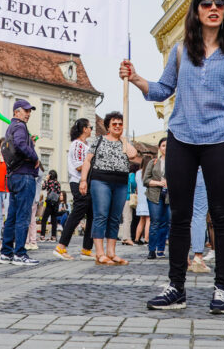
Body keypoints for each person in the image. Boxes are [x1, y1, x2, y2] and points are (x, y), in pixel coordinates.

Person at [121, 0, 224, 315]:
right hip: (182, 138)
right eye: (205, 4)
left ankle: (221, 289)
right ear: (196, 11)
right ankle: (176, 288)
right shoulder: (181, 51)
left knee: (222, 215)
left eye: (218, 4)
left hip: (221, 140)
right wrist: (137, 78)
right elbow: (163, 89)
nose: (212, 8)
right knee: (180, 216)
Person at [80, 111, 139, 266]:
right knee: (101, 216)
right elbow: (87, 161)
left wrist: (124, 139)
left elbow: (133, 155)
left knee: (114, 218)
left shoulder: (124, 143)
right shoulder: (99, 140)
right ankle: (99, 253)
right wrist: (83, 180)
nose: (117, 126)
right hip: (101, 181)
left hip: (120, 182)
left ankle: (111, 252)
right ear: (108, 126)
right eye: (114, 123)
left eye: (120, 124)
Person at [0, 99, 41, 266]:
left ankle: (6, 253)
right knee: (23, 216)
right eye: (26, 111)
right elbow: (21, 144)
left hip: (13, 176)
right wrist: (35, 157)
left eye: (30, 111)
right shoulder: (20, 126)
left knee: (12, 217)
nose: (28, 114)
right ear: (17, 112)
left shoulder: (10, 127)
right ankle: (20, 254)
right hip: (24, 175)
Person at [54, 119, 94, 260]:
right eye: (90, 127)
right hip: (78, 182)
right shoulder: (77, 144)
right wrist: (94, 166)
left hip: (88, 183)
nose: (91, 129)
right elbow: (79, 165)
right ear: (84, 129)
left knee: (92, 214)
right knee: (77, 213)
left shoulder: (87, 145)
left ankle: (87, 249)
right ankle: (61, 247)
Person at [142, 138, 170, 259]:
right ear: (159, 148)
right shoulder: (153, 162)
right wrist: (159, 183)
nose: (166, 148)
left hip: (169, 196)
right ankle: (152, 250)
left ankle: (161, 249)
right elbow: (145, 180)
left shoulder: (176, 162)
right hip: (154, 195)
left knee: (167, 223)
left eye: (168, 145)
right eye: (163, 145)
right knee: (155, 222)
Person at [41, 170, 62, 241]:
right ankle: (53, 236)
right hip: (56, 203)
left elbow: (43, 187)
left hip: (49, 203)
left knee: (44, 219)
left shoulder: (49, 182)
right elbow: (59, 193)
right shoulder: (58, 183)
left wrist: (46, 179)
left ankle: (42, 236)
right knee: (54, 220)